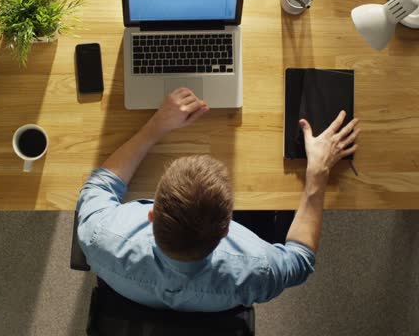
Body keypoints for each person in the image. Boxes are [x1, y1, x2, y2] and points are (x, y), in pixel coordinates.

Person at [76, 88, 359, 312]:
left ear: (152, 215)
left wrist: (157, 125)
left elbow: (100, 184)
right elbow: (300, 260)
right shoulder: (257, 271)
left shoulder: (99, 237)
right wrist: (317, 174)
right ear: (226, 229)